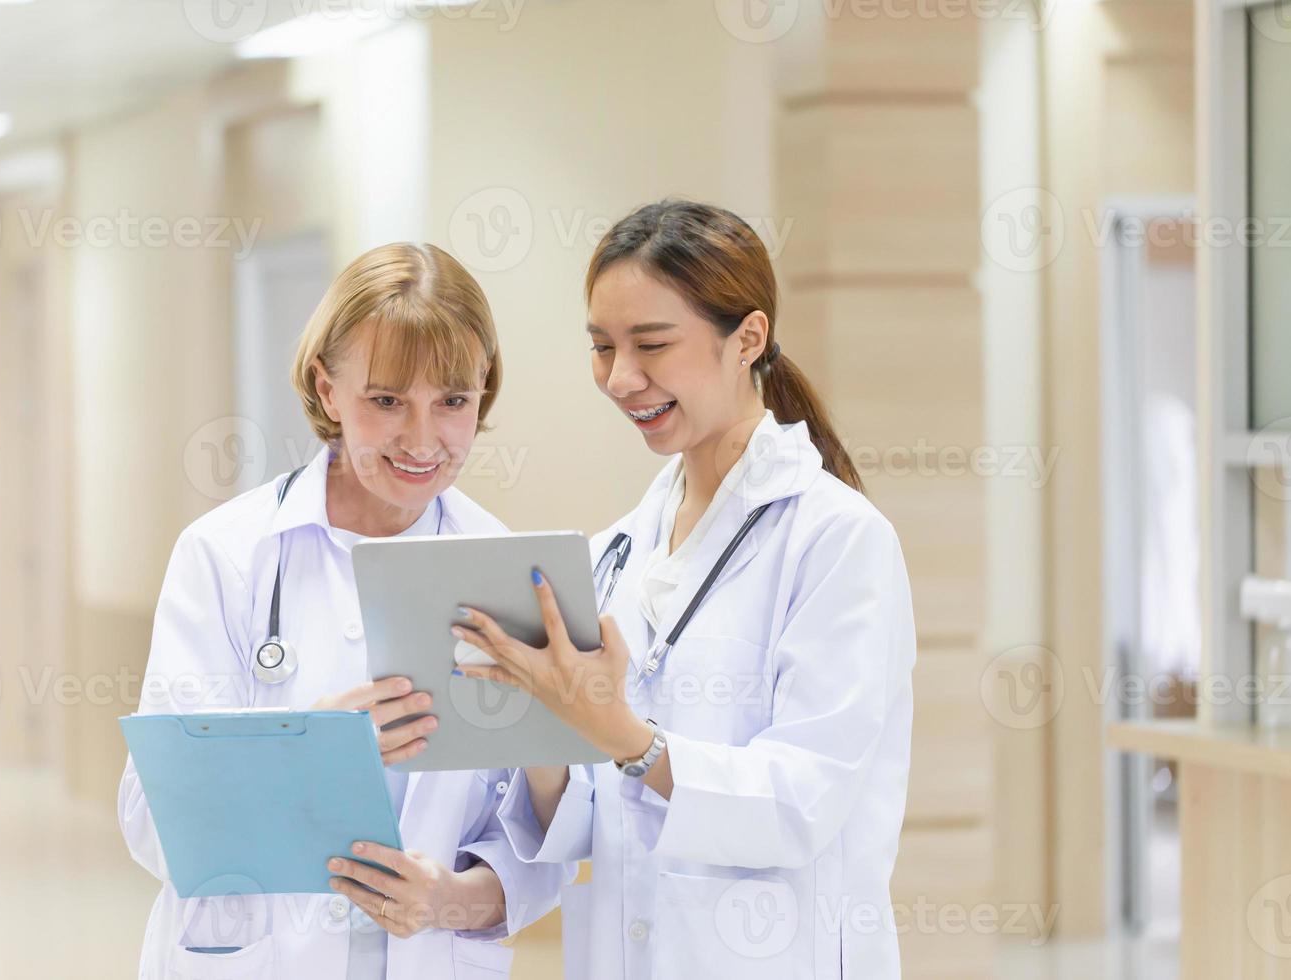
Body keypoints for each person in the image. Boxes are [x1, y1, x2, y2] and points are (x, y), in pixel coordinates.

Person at [455, 200, 917, 979]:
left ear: (749, 339)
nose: (620, 378)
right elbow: (588, 823)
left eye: (652, 345)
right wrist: (544, 732)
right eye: (602, 347)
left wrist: (625, 737)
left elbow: (800, 802)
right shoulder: (612, 553)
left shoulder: (837, 541)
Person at [118, 242, 566, 979]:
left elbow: (546, 844)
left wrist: (449, 900)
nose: (423, 439)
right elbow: (151, 819)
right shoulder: (228, 555)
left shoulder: (509, 573)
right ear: (327, 390)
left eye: (453, 400)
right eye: (386, 400)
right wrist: (304, 755)